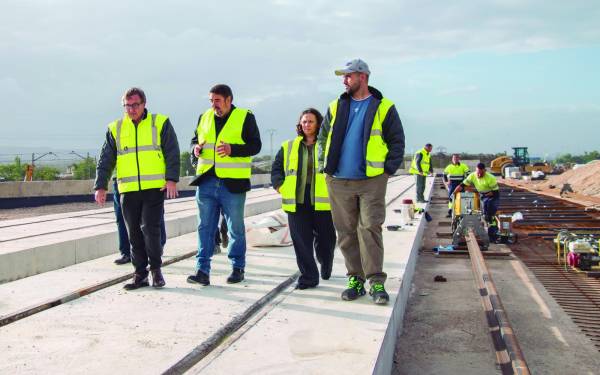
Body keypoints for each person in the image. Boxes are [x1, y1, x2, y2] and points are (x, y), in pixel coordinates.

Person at [318, 58, 405, 305]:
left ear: (362, 77)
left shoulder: (384, 107)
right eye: (343, 77)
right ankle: (355, 279)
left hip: (371, 180)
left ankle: (376, 281)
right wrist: (325, 165)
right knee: (346, 233)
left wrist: (387, 170)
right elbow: (324, 136)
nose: (344, 81)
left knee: (369, 229)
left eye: (348, 76)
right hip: (338, 180)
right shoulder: (336, 106)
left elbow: (397, 141)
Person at [95, 87, 180, 289]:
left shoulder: (159, 123)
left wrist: (171, 179)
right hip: (128, 189)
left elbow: (172, 151)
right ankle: (140, 274)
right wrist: (100, 185)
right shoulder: (115, 128)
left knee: (151, 229)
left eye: (135, 105)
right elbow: (106, 159)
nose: (131, 109)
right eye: (127, 105)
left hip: (154, 188)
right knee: (133, 233)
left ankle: (156, 271)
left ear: (144, 104)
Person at [187, 84, 261, 286]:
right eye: (211, 101)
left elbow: (256, 145)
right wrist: (195, 149)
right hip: (206, 181)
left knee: (234, 228)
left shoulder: (245, 117)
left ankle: (238, 268)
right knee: (204, 227)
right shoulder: (205, 117)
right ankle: (202, 270)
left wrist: (232, 149)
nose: (214, 105)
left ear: (229, 100)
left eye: (217, 101)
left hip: (233, 183)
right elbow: (194, 140)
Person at [272, 108, 336, 290]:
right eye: (304, 121)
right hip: (296, 201)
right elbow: (276, 169)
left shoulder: (328, 145)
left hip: (322, 201)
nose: (307, 124)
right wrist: (281, 187)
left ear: (318, 124)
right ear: (300, 124)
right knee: (301, 242)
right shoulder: (288, 146)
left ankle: (326, 261)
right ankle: (309, 277)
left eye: (311, 121)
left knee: (327, 239)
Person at [113, 176, 168, 264]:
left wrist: (170, 178)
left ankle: (157, 249)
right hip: (123, 180)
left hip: (150, 180)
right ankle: (126, 253)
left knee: (154, 217)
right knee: (122, 218)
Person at [452, 163, 500, 241]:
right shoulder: (472, 175)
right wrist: (453, 193)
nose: (479, 175)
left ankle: (493, 234)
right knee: (484, 214)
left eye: (481, 173)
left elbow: (495, 192)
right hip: (483, 195)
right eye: (477, 172)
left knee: (490, 214)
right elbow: (462, 185)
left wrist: (484, 195)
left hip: (492, 196)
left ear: (484, 170)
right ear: (476, 170)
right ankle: (489, 230)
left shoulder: (491, 178)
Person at [442, 154, 470, 218]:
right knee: (451, 198)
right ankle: (450, 211)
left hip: (460, 184)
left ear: (458, 159)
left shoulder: (463, 166)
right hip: (452, 184)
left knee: (461, 197)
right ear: (452, 159)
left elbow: (468, 173)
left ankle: (461, 212)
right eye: (454, 158)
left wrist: (465, 181)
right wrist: (446, 181)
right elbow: (444, 174)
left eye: (456, 158)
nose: (455, 159)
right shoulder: (449, 166)